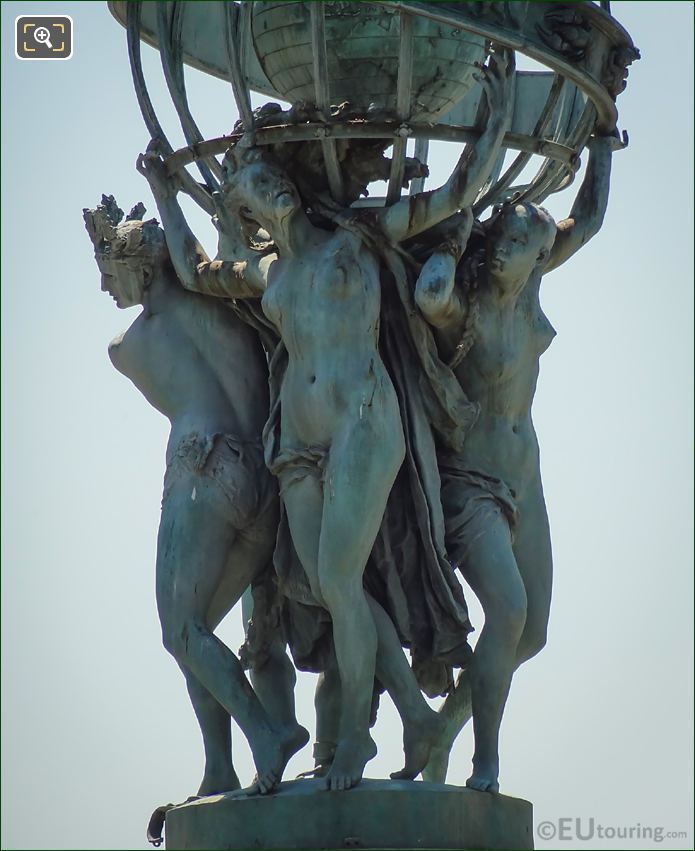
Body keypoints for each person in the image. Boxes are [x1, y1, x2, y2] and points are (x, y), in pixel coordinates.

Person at [138, 47, 514, 790]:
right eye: (250, 187)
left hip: (361, 426)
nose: (265, 186)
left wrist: (496, 115)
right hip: (297, 443)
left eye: (269, 176)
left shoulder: (360, 240)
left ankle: (354, 741)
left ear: (289, 184)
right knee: (330, 585)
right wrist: (162, 190)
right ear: (245, 208)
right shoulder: (267, 272)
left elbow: (461, 188)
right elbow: (190, 268)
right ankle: (414, 716)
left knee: (339, 579)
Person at [414, 131, 622, 791]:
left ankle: (440, 733)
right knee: (506, 613)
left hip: (523, 479)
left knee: (530, 634)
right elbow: (428, 296)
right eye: (501, 240)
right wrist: (455, 233)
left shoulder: (529, 291)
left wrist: (602, 147)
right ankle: (484, 760)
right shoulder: (465, 306)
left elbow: (586, 220)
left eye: (521, 245)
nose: (506, 250)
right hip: (468, 484)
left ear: (537, 258)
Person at [84, 196, 308, 796]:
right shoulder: (225, 308)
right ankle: (219, 767)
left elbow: (127, 354)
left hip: (202, 472)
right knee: (197, 634)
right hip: (262, 480)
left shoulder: (130, 345)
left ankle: (268, 735)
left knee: (181, 631)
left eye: (110, 271)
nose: (105, 286)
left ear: (143, 267)